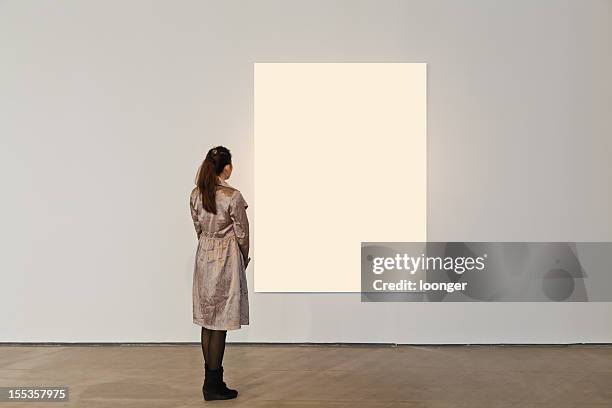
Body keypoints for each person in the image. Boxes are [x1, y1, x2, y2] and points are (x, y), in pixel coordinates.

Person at [189, 145, 250, 401]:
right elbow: (242, 234)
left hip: (205, 256)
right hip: (225, 258)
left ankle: (210, 382)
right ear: (227, 167)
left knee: (207, 320)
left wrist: (207, 247)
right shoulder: (232, 196)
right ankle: (215, 384)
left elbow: (198, 228)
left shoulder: (195, 194)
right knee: (220, 322)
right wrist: (243, 259)